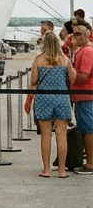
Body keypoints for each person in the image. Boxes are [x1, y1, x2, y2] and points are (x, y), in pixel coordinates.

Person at [24, 30, 73, 177]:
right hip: (61, 98)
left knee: (46, 134)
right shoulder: (64, 59)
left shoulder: (38, 60)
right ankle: (62, 170)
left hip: (44, 98)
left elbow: (33, 81)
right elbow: (73, 77)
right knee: (61, 133)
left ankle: (46, 169)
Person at [69, 21, 93, 175]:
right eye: (74, 33)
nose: (75, 36)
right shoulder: (81, 50)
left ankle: (90, 163)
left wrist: (69, 74)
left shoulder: (86, 51)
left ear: (87, 35)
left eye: (78, 34)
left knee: (87, 129)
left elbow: (83, 76)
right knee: (85, 128)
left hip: (85, 95)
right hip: (81, 96)